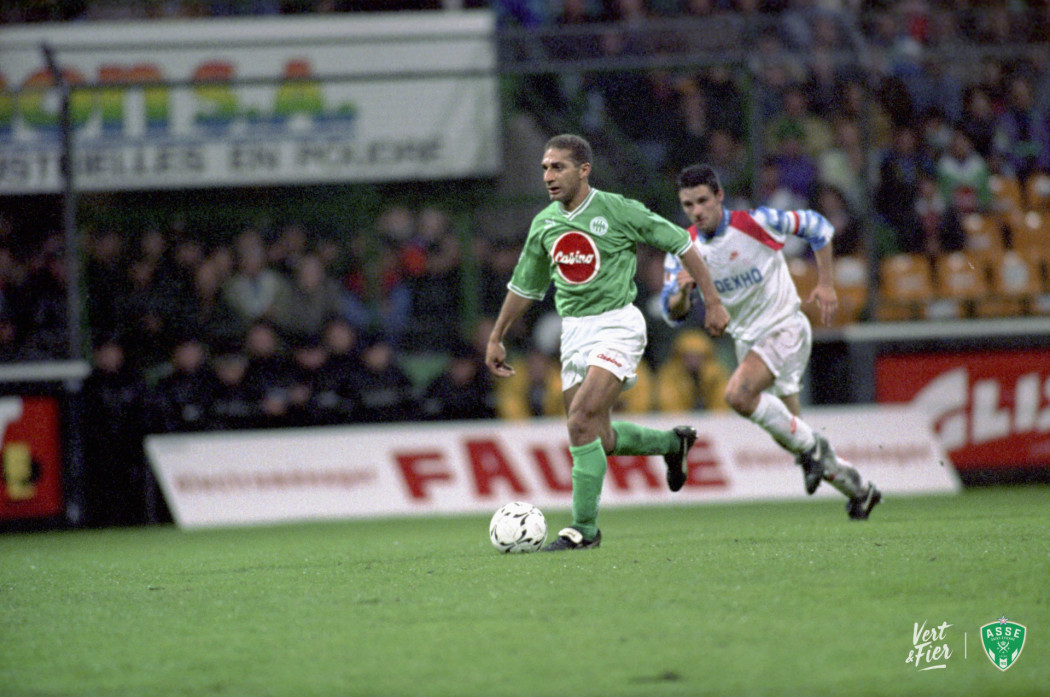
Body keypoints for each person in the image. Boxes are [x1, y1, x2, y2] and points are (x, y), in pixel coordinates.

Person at [484, 134, 730, 552]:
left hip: (617, 324)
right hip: (574, 332)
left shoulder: (617, 209)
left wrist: (713, 301)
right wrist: (496, 336)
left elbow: (682, 243)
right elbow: (524, 286)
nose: (548, 176)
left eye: (558, 167)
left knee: (580, 419)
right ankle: (673, 444)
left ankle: (584, 529)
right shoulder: (545, 224)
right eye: (545, 168)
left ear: (584, 170)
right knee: (598, 436)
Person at [660, 164, 881, 520]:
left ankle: (815, 450)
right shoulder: (682, 249)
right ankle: (860, 490)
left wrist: (826, 283)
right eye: (688, 205)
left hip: (784, 327)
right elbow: (672, 312)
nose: (697, 211)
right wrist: (684, 293)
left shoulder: (756, 222)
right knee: (795, 436)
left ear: (719, 196)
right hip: (748, 343)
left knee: (738, 395)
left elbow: (818, 226)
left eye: (702, 201)